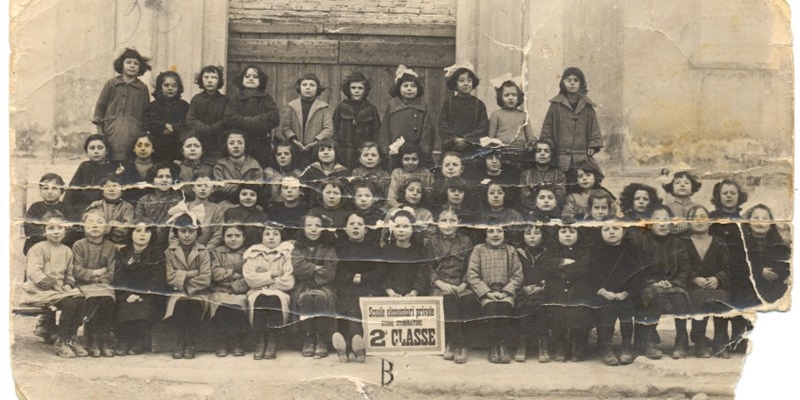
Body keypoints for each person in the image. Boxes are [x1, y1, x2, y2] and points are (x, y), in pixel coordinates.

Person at [20, 212, 87, 358]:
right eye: (51, 228)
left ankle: (70, 339)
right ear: (44, 231)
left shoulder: (67, 251)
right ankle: (61, 341)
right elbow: (34, 272)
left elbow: (69, 274)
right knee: (69, 304)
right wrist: (54, 285)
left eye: (60, 227)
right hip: (40, 290)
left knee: (81, 301)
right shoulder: (38, 249)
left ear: (65, 229)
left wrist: (68, 284)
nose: (56, 232)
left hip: (60, 290)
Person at [634, 205, 691, 360]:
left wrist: (675, 283)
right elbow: (637, 269)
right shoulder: (641, 242)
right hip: (649, 285)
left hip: (673, 285)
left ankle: (681, 341)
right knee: (657, 296)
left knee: (680, 298)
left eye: (666, 220)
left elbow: (686, 268)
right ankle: (648, 341)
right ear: (650, 223)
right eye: (657, 219)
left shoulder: (678, 243)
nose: (662, 224)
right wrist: (653, 283)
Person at [682, 205, 734, 359]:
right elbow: (679, 266)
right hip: (692, 286)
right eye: (694, 218)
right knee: (699, 298)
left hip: (716, 285)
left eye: (703, 217)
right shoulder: (682, 243)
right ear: (688, 222)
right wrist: (694, 278)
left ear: (710, 221)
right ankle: (700, 342)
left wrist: (718, 278)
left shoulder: (720, 242)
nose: (699, 221)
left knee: (722, 298)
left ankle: (720, 342)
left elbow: (729, 267)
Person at [466, 225, 523, 364]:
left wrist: (506, 291)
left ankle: (502, 346)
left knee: (504, 307)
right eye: (491, 231)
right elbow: (472, 275)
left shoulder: (511, 251)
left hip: (505, 292)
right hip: (487, 292)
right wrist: (487, 292)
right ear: (485, 234)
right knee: (491, 308)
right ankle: (493, 346)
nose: (495, 234)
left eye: (499, 231)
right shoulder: (478, 250)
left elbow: (517, 275)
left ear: (504, 233)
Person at [427, 208, 478, 364]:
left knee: (468, 300)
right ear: (437, 223)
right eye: (444, 221)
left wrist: (463, 284)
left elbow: (471, 266)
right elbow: (427, 267)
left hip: (461, 284)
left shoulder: (466, 241)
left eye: (452, 221)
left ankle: (459, 343)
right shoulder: (432, 242)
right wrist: (440, 283)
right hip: (440, 285)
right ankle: (455, 342)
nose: (448, 225)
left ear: (458, 223)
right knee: (448, 300)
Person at [113, 219, 168, 355]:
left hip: (150, 296)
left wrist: (142, 295)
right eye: (138, 231)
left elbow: (158, 279)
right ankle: (124, 341)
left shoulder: (157, 254)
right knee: (125, 306)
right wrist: (128, 295)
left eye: (147, 231)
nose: (142, 234)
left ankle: (139, 342)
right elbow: (119, 278)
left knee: (144, 307)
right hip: (127, 295)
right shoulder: (122, 253)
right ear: (131, 233)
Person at [331, 213, 381, 363]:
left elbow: (380, 270)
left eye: (359, 224)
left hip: (367, 287)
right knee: (346, 303)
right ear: (345, 229)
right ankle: (353, 345)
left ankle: (349, 345)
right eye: (351, 224)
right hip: (345, 287)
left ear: (365, 229)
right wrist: (351, 278)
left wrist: (362, 278)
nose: (355, 227)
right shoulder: (340, 247)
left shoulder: (373, 247)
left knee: (355, 303)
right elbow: (337, 269)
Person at [539, 225, 593, 362]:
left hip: (578, 289)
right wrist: (562, 262)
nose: (567, 235)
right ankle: (560, 345)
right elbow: (544, 266)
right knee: (557, 312)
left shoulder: (584, 251)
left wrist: (561, 272)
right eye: (563, 232)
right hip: (556, 289)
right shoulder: (551, 251)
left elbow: (584, 268)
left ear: (578, 234)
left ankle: (579, 346)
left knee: (579, 312)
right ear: (557, 235)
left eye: (572, 232)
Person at [243, 224, 295, 360]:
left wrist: (263, 276)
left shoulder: (286, 254)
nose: (271, 237)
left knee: (273, 298)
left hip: (279, 292)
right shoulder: (253, 254)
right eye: (267, 234)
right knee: (260, 298)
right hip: (257, 291)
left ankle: (272, 340)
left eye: (275, 234)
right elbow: (250, 279)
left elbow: (288, 281)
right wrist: (272, 274)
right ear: (261, 237)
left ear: (281, 237)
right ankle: (261, 340)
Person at [164, 212, 211, 359]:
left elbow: (205, 278)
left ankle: (190, 343)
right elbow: (169, 277)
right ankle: (180, 342)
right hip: (177, 293)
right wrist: (192, 273)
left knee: (194, 304)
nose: (187, 235)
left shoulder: (203, 252)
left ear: (197, 233)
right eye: (183, 231)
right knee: (181, 304)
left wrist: (182, 280)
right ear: (176, 232)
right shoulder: (169, 252)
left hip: (199, 292)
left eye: (191, 231)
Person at [291, 211, 338, 359]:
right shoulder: (297, 248)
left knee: (320, 298)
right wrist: (317, 267)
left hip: (324, 286)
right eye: (309, 225)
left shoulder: (329, 248)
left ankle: (321, 339)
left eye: (317, 226)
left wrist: (309, 269)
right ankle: (308, 339)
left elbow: (330, 271)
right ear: (303, 228)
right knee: (305, 298)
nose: (313, 229)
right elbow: (297, 268)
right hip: (302, 286)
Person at [92, 48, 152, 163]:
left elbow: (146, 113)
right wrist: (100, 132)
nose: (132, 66)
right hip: (111, 131)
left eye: (136, 63)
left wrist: (143, 133)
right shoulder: (111, 84)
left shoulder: (142, 88)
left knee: (129, 160)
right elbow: (100, 107)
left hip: (133, 132)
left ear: (140, 67)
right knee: (111, 159)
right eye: (128, 62)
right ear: (121, 64)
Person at [540, 67, 603, 175]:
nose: (572, 83)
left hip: (582, 157)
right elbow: (547, 129)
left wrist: (593, 145)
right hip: (560, 157)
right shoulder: (555, 106)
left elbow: (594, 128)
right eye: (568, 80)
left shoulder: (588, 107)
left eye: (576, 80)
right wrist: (550, 147)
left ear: (581, 83)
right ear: (563, 82)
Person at [592, 221, 639, 365]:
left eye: (615, 228)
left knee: (626, 312)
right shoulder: (596, 252)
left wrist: (627, 292)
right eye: (606, 229)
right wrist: (602, 291)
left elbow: (638, 275)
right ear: (600, 233)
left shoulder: (631, 251)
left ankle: (626, 347)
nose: (611, 232)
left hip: (625, 294)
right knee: (606, 312)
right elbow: (591, 275)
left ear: (623, 232)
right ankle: (606, 348)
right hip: (603, 294)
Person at [72, 211, 118, 358]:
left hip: (104, 285)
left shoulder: (111, 247)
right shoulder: (79, 245)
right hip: (84, 285)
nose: (95, 225)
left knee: (107, 300)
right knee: (91, 300)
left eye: (99, 222)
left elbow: (112, 271)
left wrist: (97, 278)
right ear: (83, 226)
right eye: (90, 222)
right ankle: (92, 340)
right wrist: (97, 272)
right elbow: (77, 270)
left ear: (106, 228)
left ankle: (104, 340)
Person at [379, 65, 435, 168]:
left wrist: (424, 151)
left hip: (415, 153)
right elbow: (385, 129)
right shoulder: (392, 106)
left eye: (413, 86)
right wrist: (386, 150)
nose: (409, 89)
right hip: (395, 151)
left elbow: (427, 130)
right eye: (405, 86)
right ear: (398, 88)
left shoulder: (422, 107)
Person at [208, 225, 250, 357]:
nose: (233, 239)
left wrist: (231, 283)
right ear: (223, 237)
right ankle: (222, 341)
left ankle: (237, 341)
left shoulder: (249, 253)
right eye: (229, 236)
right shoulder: (216, 252)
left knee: (238, 304)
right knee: (221, 303)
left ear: (244, 237)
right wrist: (234, 273)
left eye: (237, 236)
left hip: (240, 291)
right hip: (219, 290)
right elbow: (214, 272)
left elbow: (249, 275)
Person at [228, 65, 281, 166]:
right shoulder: (235, 99)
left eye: (255, 76)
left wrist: (247, 121)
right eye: (247, 76)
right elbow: (230, 118)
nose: (251, 79)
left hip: (261, 144)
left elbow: (274, 118)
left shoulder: (266, 99)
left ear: (260, 81)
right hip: (240, 144)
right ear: (242, 80)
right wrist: (257, 120)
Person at [513, 223, 550, 363]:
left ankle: (543, 345)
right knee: (526, 304)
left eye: (537, 233)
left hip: (543, 290)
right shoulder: (518, 253)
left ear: (543, 236)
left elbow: (552, 272)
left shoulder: (548, 253)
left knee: (540, 305)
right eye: (528, 233)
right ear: (523, 236)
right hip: (522, 290)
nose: (532, 237)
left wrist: (542, 285)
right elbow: (513, 273)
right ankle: (521, 344)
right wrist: (522, 287)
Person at [280, 73, 334, 167]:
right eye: (304, 85)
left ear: (317, 88)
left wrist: (315, 142)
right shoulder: (292, 106)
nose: (308, 88)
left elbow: (328, 129)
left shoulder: (323, 107)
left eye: (312, 85)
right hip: (295, 148)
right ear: (299, 87)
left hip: (316, 149)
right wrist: (295, 141)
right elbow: (286, 127)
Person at [439, 62, 488, 162]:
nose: (466, 83)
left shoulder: (479, 104)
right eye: (461, 80)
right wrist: (454, 139)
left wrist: (468, 139)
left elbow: (483, 126)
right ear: (455, 84)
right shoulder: (449, 103)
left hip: (472, 147)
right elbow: (443, 124)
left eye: (469, 80)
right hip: (452, 147)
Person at [185, 65, 235, 164]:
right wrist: (205, 129)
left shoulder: (225, 100)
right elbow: (190, 119)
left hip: (218, 141)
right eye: (206, 77)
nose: (210, 81)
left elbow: (227, 119)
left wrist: (213, 129)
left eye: (214, 78)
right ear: (201, 80)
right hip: (200, 139)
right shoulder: (196, 99)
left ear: (219, 80)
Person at [742, 204, 791, 304]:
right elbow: (736, 265)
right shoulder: (740, 243)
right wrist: (759, 271)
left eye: (765, 219)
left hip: (773, 288)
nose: (760, 222)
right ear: (748, 223)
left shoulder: (779, 244)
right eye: (756, 218)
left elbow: (785, 266)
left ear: (770, 224)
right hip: (746, 288)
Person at [333, 71, 381, 169]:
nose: (356, 91)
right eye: (353, 88)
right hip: (344, 151)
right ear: (348, 89)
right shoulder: (341, 107)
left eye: (360, 88)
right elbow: (335, 129)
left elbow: (377, 132)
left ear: (365, 90)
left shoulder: (371, 109)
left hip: (364, 152)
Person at [23, 173, 80, 255]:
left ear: (61, 191)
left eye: (54, 188)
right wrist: (50, 234)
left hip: (61, 245)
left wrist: (54, 236)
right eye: (45, 188)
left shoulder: (67, 208)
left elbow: (72, 231)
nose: (49, 192)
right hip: (39, 245)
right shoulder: (35, 207)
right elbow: (29, 230)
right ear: (40, 190)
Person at [143, 70, 190, 164]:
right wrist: (163, 126)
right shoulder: (153, 105)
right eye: (166, 85)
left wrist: (172, 128)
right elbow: (147, 122)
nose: (170, 88)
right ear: (160, 87)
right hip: (158, 147)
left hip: (177, 147)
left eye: (174, 85)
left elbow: (187, 123)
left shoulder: (184, 105)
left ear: (179, 87)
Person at [63, 134, 118, 213]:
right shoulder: (85, 166)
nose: (96, 151)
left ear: (106, 151)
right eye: (92, 148)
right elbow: (72, 191)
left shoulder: (113, 167)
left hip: (107, 208)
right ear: (86, 152)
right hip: (85, 208)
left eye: (100, 148)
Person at [486, 77, 534, 162]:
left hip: (520, 153)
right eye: (506, 95)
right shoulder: (496, 114)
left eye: (514, 95)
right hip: (501, 153)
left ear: (519, 96)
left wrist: (531, 142)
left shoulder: (524, 115)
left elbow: (530, 136)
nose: (510, 98)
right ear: (500, 97)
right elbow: (491, 137)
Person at [212, 130, 264, 203]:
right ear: (225, 145)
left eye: (240, 143)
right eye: (231, 143)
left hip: (249, 203)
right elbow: (220, 187)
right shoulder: (220, 166)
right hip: (226, 203)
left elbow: (257, 187)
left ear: (246, 144)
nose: (236, 146)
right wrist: (244, 187)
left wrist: (233, 187)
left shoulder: (255, 166)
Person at [84, 175, 134, 245]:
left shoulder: (127, 207)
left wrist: (106, 226)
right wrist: (113, 225)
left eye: (115, 186)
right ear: (102, 191)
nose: (111, 190)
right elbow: (90, 226)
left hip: (119, 243)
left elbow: (125, 230)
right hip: (97, 242)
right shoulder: (96, 205)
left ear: (122, 190)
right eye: (107, 186)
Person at [519, 139, 567, 211]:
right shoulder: (527, 174)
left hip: (554, 211)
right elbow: (525, 197)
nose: (542, 153)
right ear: (533, 154)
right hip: (532, 211)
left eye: (546, 151)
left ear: (551, 155)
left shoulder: (559, 175)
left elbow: (560, 197)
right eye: (538, 151)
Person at [386, 143, 434, 209]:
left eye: (414, 159)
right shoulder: (397, 172)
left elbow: (430, 196)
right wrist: (403, 209)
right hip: (401, 208)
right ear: (401, 160)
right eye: (406, 159)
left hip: (421, 208)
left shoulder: (425, 173)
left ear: (419, 160)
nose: (410, 162)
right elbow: (391, 198)